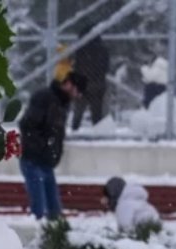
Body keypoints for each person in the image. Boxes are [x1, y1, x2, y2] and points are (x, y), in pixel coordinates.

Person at [18, 72, 87, 221]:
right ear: (69, 84)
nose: (78, 96)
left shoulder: (62, 103)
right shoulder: (45, 98)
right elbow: (27, 125)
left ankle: (53, 235)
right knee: (40, 210)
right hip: (33, 160)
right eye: (77, 91)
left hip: (46, 162)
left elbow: (56, 133)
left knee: (54, 210)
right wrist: (42, 147)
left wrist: (53, 153)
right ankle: (39, 235)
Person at [70, 23, 110, 130]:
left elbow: (76, 66)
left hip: (82, 83)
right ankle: (97, 131)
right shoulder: (102, 49)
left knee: (78, 111)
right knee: (97, 112)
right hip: (98, 83)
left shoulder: (80, 49)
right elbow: (106, 67)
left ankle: (75, 129)